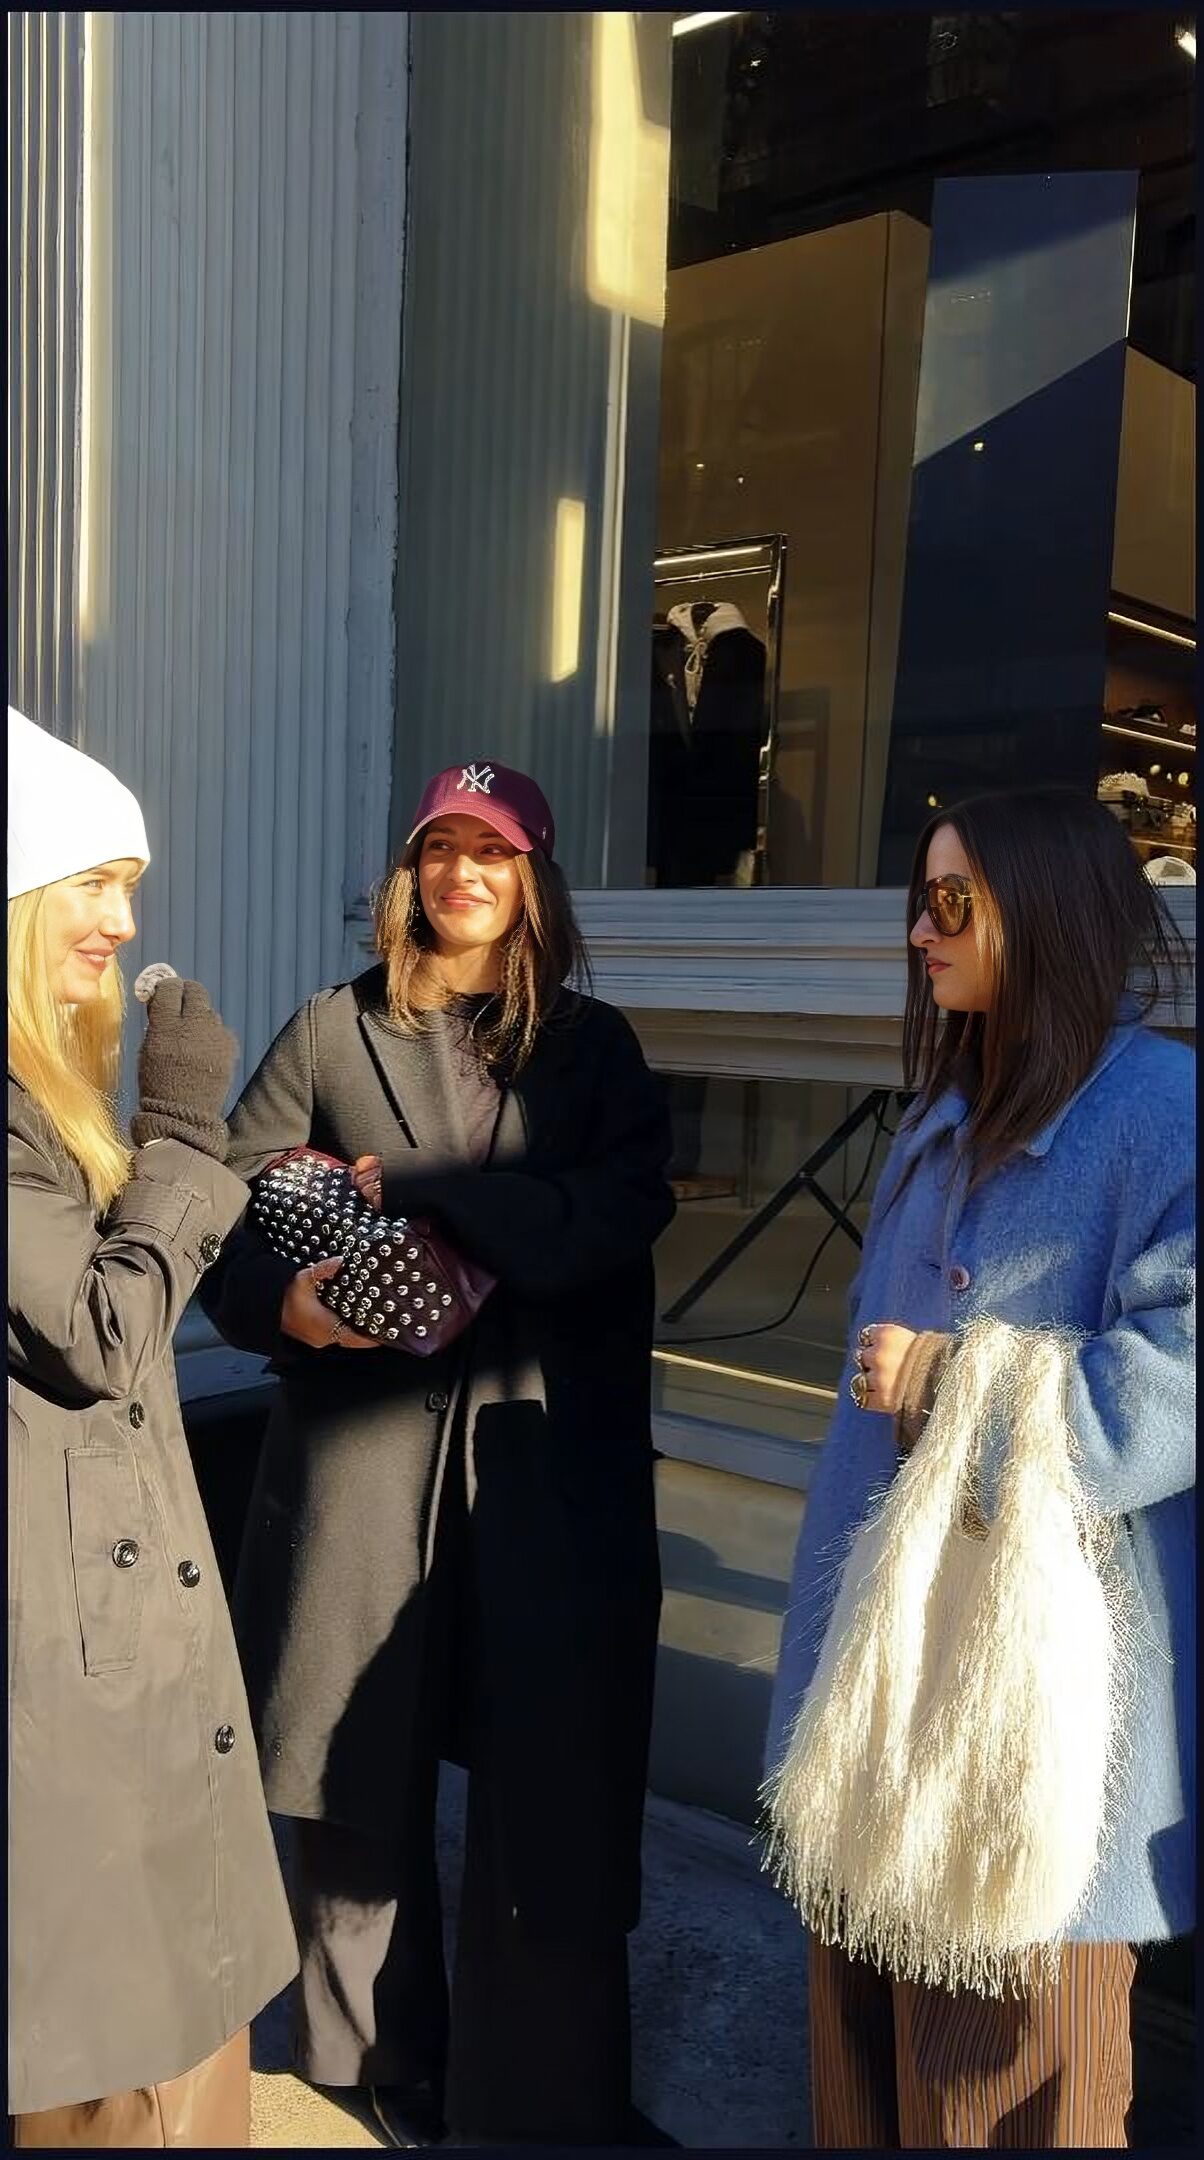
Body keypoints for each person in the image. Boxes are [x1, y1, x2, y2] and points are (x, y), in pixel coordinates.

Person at [200, 759, 675, 2148]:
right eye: (439, 849)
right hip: (360, 1462)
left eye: (493, 851)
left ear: (534, 881)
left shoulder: (595, 1048)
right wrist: (282, 1306)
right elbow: (228, 1208)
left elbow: (616, 1214)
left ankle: (539, 2097)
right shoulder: (331, 1028)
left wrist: (437, 1195)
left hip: (543, 1466)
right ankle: (370, 2061)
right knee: (353, 1782)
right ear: (409, 874)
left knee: (551, 1780)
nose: (461, 873)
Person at [766, 785, 1195, 2150]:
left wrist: (959, 1391)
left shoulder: (1169, 1114)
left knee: (1014, 2095)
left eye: (953, 901)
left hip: (1033, 1709)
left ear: (1049, 913)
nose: (920, 931)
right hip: (881, 1689)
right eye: (921, 898)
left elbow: (1182, 1382)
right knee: (865, 2070)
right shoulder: (942, 1110)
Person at [6, 707, 298, 2148]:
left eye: (131, 885)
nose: (125, 921)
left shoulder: (38, 1098)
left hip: (105, 1629)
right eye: (93, 882)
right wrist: (184, 1132)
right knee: (110, 2049)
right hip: (61, 1658)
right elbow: (101, 1332)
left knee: (173, 2018)